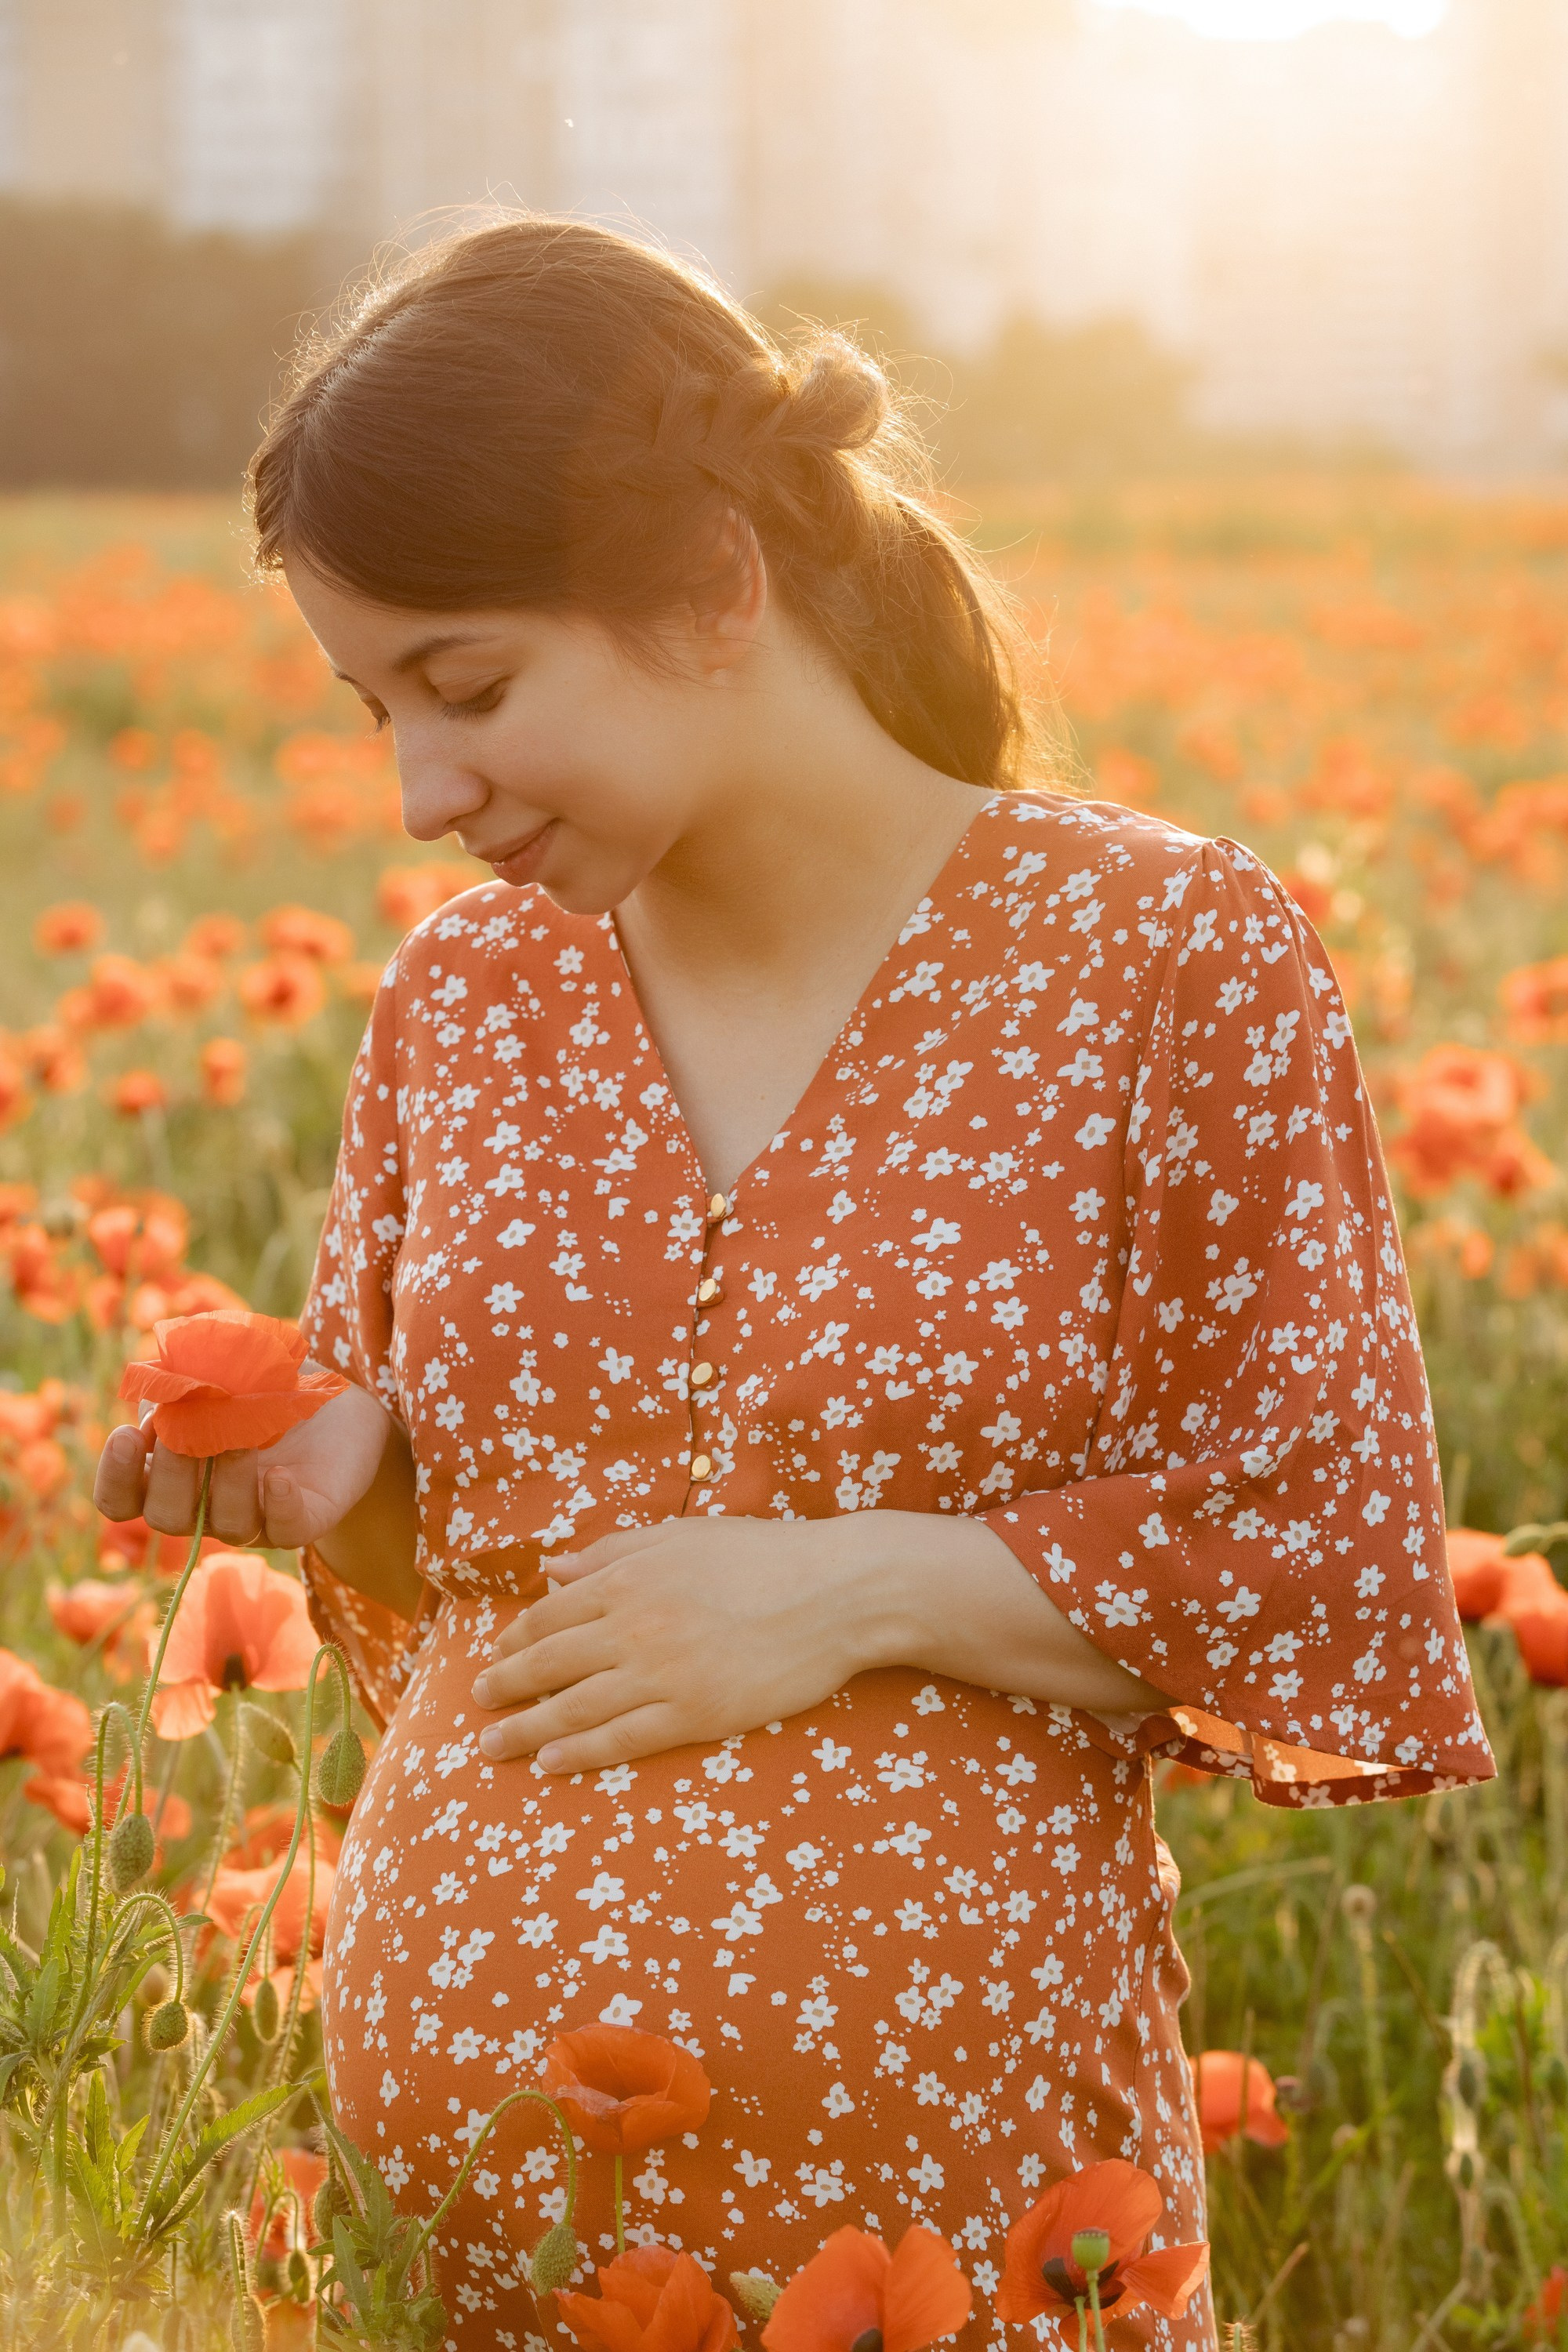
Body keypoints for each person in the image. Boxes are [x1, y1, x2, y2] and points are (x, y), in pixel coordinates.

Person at [94, 216, 1493, 2347]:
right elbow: (489, 1604)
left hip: (965, 2219)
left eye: (470, 688)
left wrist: (850, 1587)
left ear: (716, 581)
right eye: (378, 710)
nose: (420, 795)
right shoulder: (465, 997)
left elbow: (1317, 1559)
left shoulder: (1160, 958)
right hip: (472, 2247)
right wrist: (342, 1491)